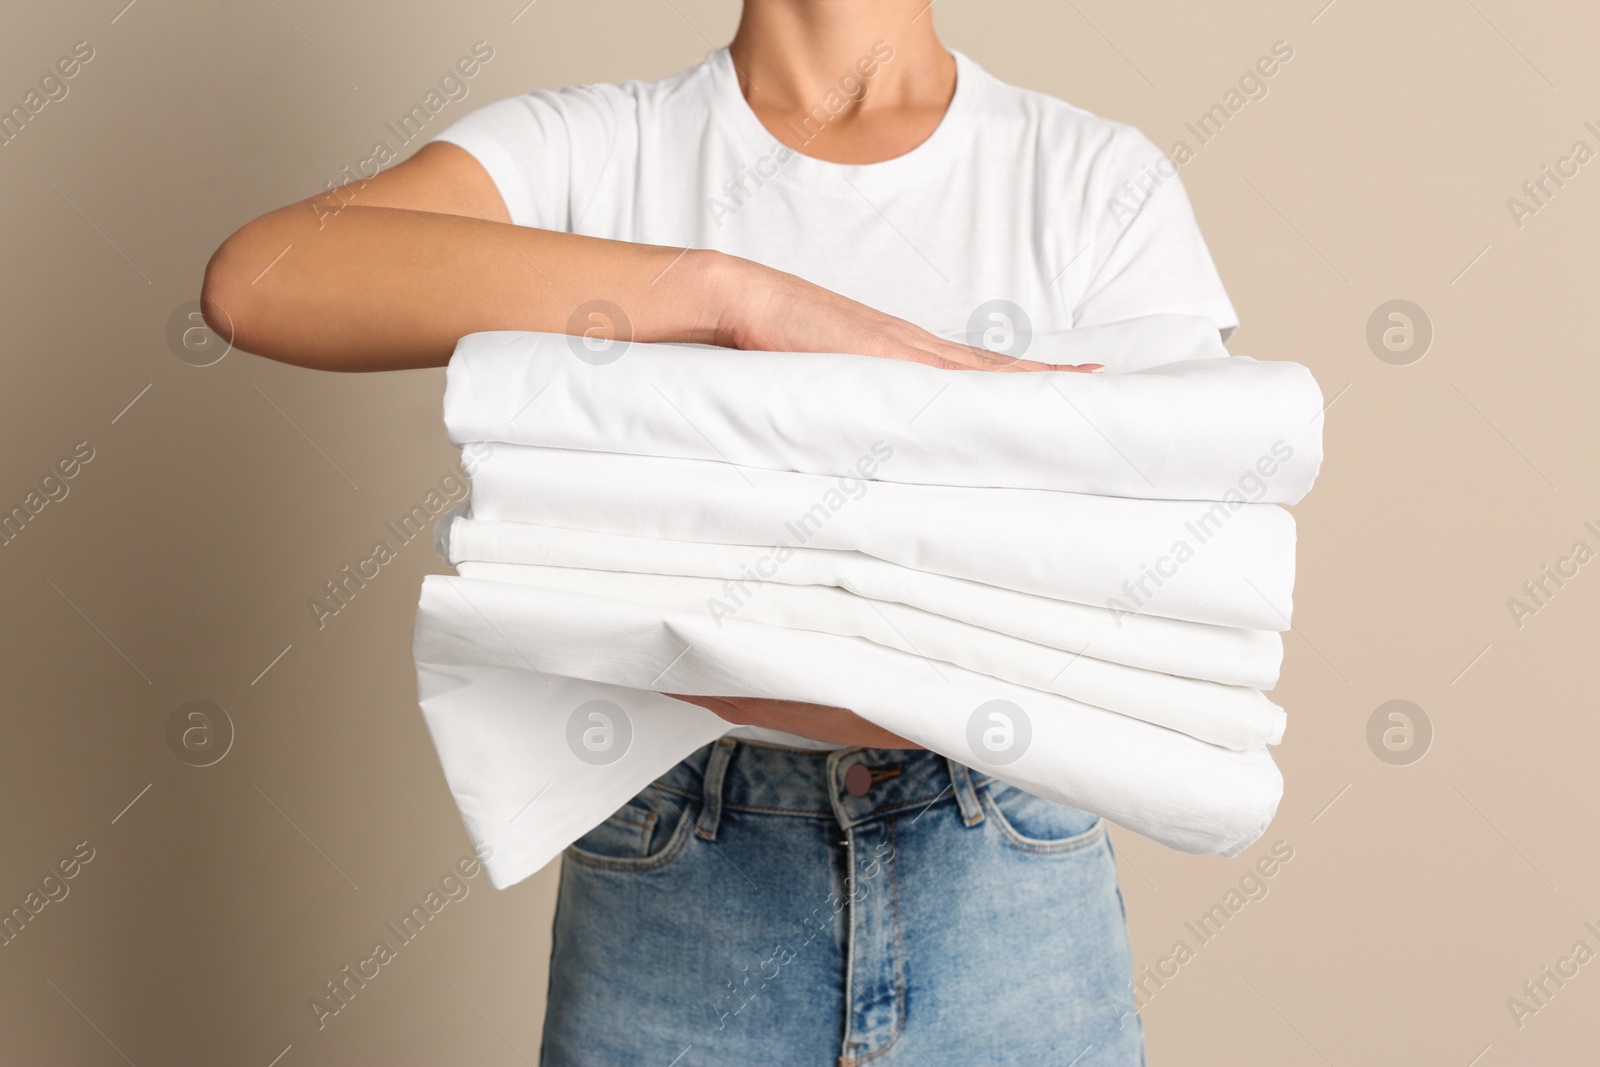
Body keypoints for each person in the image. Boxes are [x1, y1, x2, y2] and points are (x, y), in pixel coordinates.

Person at [204, 2, 1236, 1062]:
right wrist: (726, 297)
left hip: (1003, 887)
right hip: (675, 880)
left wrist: (725, 644)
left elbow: (1163, 574)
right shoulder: (595, 153)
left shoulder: (1092, 180)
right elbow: (261, 279)